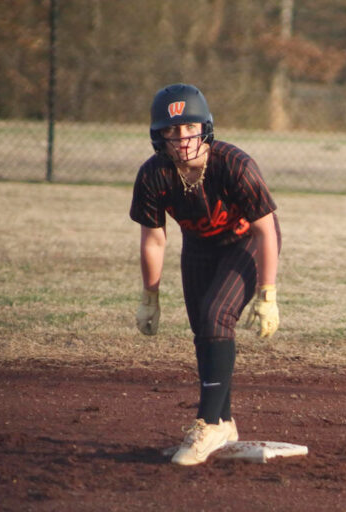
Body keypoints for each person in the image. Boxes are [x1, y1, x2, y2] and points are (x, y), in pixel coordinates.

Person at [130, 83, 281, 466]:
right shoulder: (153, 175)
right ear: (158, 135)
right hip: (199, 245)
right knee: (205, 330)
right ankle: (225, 421)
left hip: (245, 241)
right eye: (171, 130)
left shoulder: (234, 164)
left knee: (217, 316)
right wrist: (150, 297)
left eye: (190, 127)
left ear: (206, 128)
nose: (182, 138)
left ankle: (209, 423)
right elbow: (154, 239)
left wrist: (268, 293)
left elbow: (266, 229)